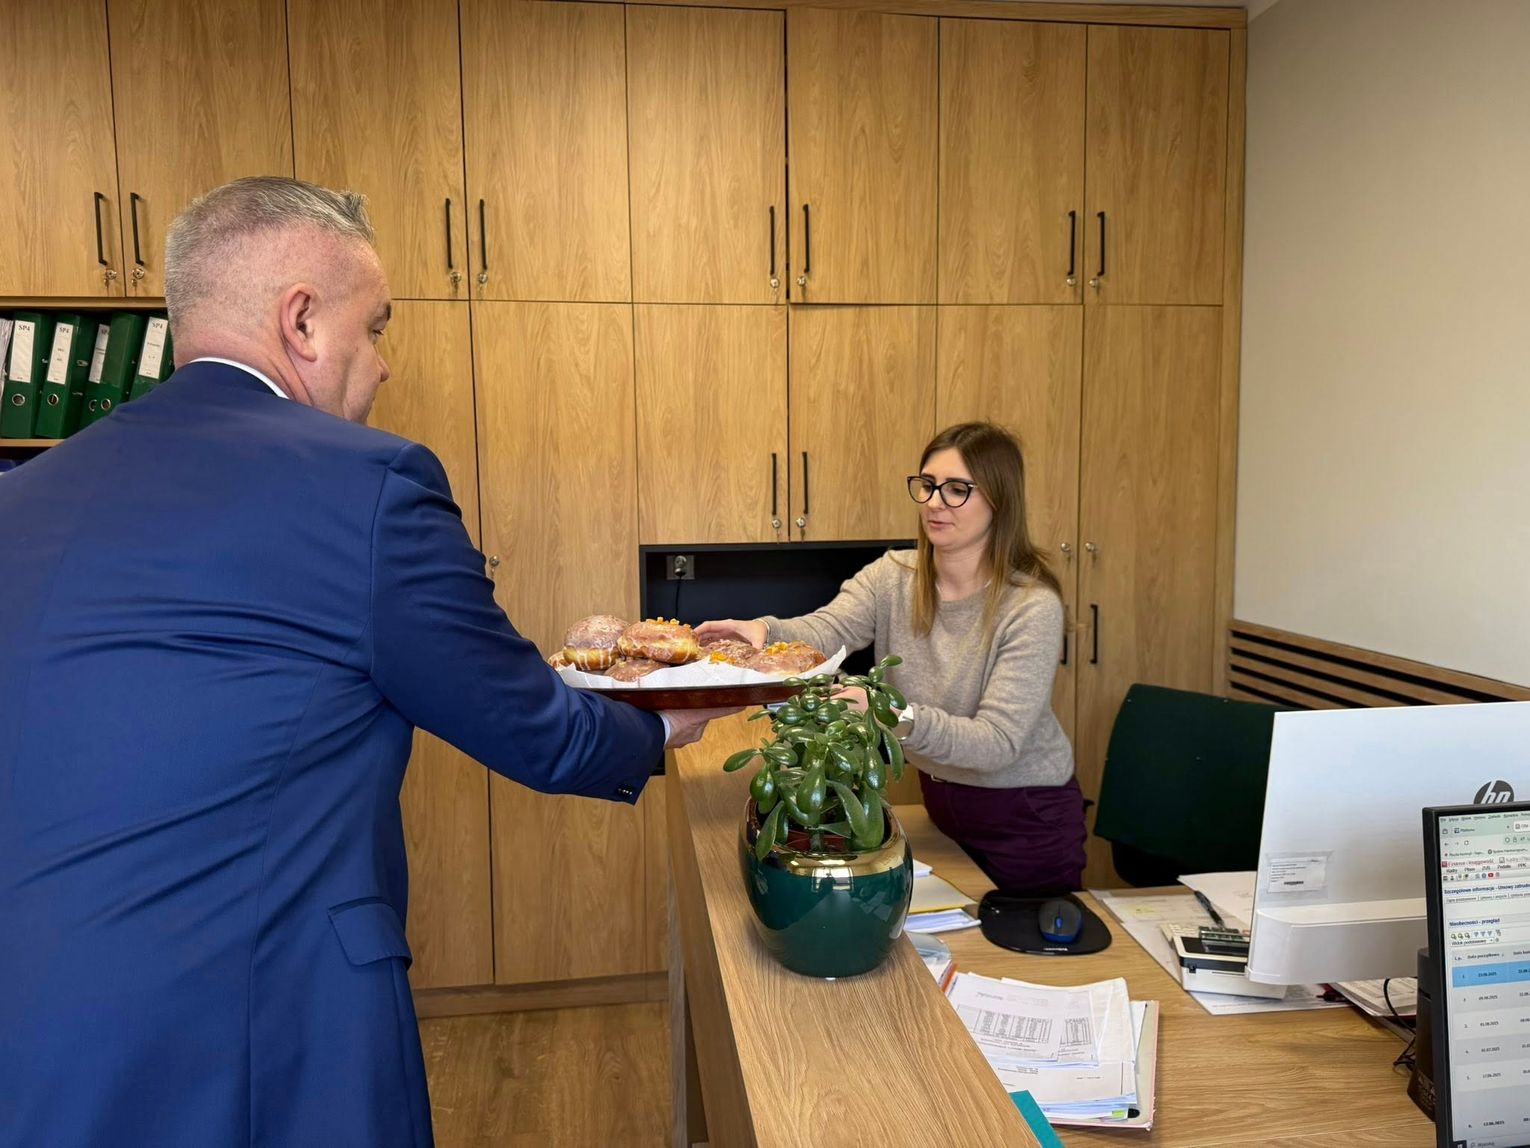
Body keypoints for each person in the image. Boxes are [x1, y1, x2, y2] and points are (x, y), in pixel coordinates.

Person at [0, 177, 725, 1148]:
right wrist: (669, 715)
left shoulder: (23, 495)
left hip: (36, 1042)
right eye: (376, 326)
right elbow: (535, 728)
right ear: (300, 320)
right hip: (259, 1039)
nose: (384, 366)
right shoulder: (368, 484)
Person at [698, 421, 1086, 892]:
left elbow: (997, 743)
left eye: (957, 489)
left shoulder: (1031, 606)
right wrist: (765, 631)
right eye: (928, 485)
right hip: (943, 808)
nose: (934, 502)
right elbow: (829, 629)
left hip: (1027, 819)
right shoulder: (893, 575)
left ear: (999, 501)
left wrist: (887, 714)